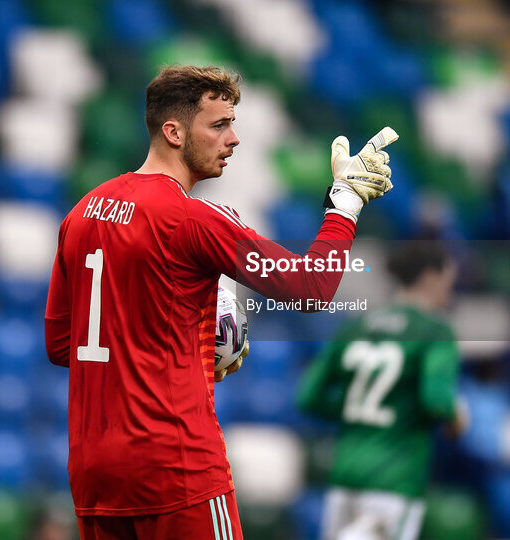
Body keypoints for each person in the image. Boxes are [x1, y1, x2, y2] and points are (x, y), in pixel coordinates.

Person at [43, 65, 398, 540]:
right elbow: (311, 288)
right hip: (176, 466)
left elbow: (62, 344)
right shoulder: (192, 218)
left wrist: (169, 343)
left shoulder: (81, 212)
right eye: (218, 125)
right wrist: (346, 204)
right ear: (173, 131)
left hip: (95, 474)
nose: (233, 139)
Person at [296, 240, 468, 540]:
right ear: (430, 277)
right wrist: (457, 415)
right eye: (448, 279)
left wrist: (355, 408)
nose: (451, 288)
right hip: (394, 478)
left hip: (345, 475)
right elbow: (436, 400)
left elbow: (308, 396)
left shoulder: (355, 327)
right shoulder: (435, 331)